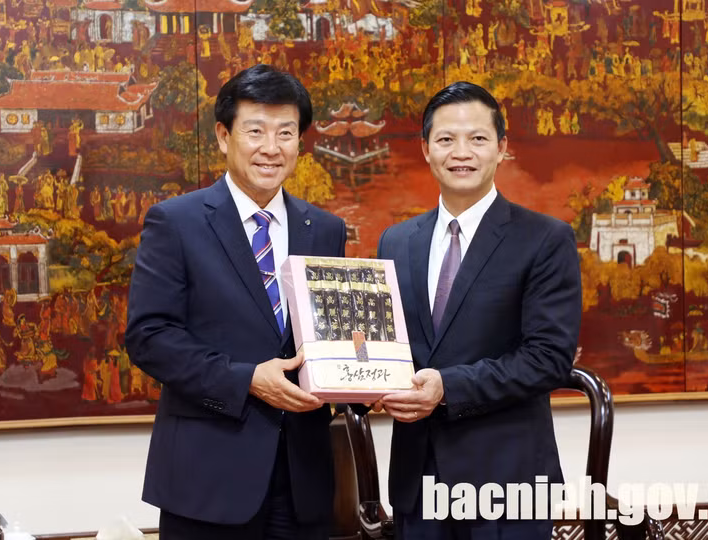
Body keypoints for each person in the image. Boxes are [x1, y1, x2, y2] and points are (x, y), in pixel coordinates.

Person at [125, 64, 347, 540]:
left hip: (304, 479)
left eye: (286, 132)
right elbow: (150, 337)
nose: (272, 147)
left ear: (300, 143)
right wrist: (246, 379)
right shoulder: (176, 222)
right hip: (208, 478)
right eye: (256, 131)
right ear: (225, 137)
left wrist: (364, 376)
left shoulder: (324, 229)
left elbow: (327, 339)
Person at [375, 81, 582, 539]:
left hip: (507, 485)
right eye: (446, 139)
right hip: (417, 482)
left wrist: (446, 388)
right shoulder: (396, 241)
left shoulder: (545, 239)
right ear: (426, 148)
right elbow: (387, 348)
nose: (461, 152)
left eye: (478, 138)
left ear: (502, 148)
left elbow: (548, 358)